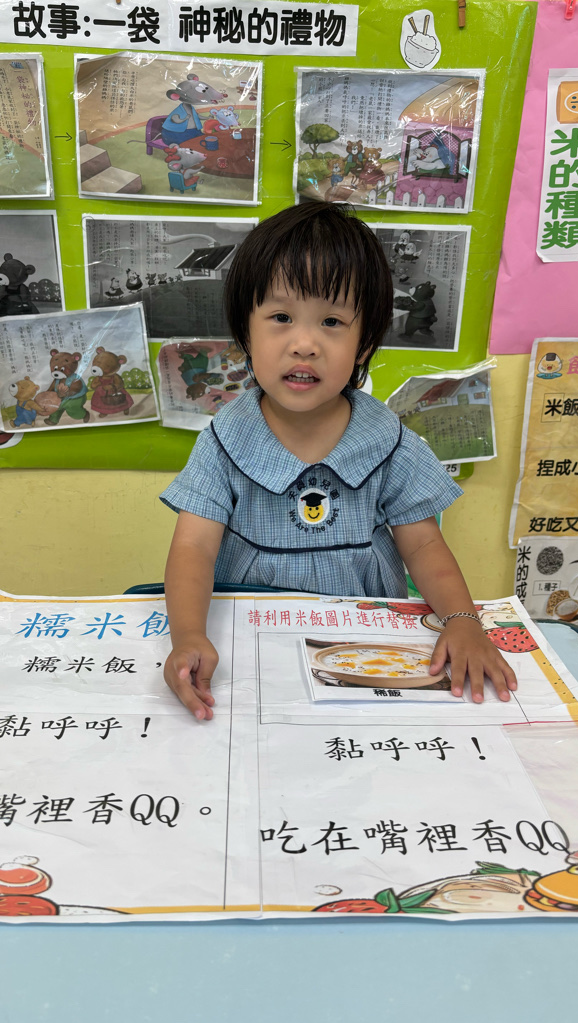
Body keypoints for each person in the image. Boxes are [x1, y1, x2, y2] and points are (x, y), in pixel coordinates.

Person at [160, 202, 516, 719]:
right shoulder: (224, 439)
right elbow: (193, 546)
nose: (304, 344)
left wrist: (463, 622)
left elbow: (424, 544)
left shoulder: (387, 439)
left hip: (366, 639)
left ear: (364, 341)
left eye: (331, 321)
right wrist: (189, 636)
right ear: (245, 331)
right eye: (281, 318)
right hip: (250, 637)